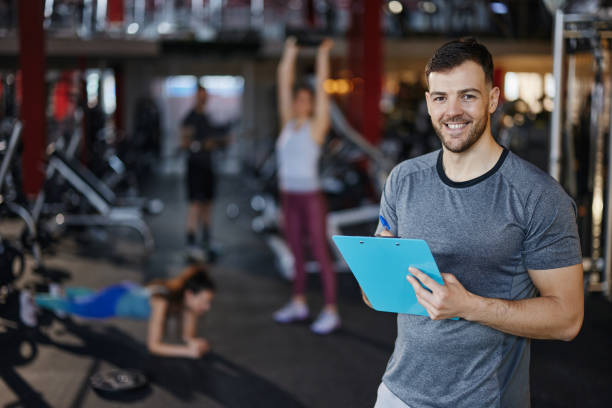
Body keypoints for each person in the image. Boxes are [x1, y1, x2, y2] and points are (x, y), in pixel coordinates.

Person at [371, 38, 584, 407]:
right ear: (428, 103)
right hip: (398, 394)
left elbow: (567, 319)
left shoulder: (538, 196)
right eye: (440, 98)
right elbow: (377, 293)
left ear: (492, 98)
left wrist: (468, 305)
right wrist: (379, 272)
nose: (452, 111)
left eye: (467, 96)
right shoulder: (403, 179)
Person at [272, 37, 340, 335]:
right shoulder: (287, 123)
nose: (300, 102)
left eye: (305, 100)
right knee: (297, 253)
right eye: (297, 99)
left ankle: (330, 310)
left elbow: (324, 86)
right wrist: (289, 53)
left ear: (311, 104)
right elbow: (283, 81)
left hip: (310, 198)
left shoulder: (317, 126)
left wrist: (323, 54)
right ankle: (298, 302)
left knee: (320, 254)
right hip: (289, 197)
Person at [35, 264, 215, 359]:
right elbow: (154, 346)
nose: (207, 307)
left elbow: (187, 335)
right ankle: (35, 298)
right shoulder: (163, 302)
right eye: (205, 301)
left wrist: (193, 342)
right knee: (78, 309)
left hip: (126, 291)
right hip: (115, 301)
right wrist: (188, 352)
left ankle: (65, 291)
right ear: (190, 294)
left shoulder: (185, 303)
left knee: (92, 298)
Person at [180, 85, 225, 261]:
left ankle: (206, 240)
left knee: (208, 205)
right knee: (195, 205)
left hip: (208, 167)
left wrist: (218, 142)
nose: (203, 99)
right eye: (201, 96)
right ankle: (190, 244)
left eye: (205, 97)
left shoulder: (207, 117)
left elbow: (214, 140)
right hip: (195, 167)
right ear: (196, 97)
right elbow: (184, 142)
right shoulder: (190, 118)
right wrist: (199, 145)